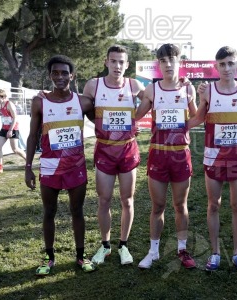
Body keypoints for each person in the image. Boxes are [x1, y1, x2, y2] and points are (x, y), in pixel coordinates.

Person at [25, 55, 96, 276]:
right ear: (50, 76)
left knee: (77, 211)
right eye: (55, 73)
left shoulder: (83, 102)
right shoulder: (40, 102)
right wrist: (27, 167)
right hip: (49, 166)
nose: (60, 77)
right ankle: (49, 257)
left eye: (64, 73)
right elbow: (32, 135)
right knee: (49, 212)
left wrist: (128, 130)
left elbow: (102, 123)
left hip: (76, 167)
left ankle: (81, 256)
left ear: (71, 76)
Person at [188, 46, 237, 273]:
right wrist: (174, 128)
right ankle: (215, 253)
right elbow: (197, 118)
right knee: (213, 205)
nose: (227, 68)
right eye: (222, 64)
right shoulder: (207, 91)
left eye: (230, 63)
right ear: (216, 67)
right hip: (213, 157)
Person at [135, 43, 197, 269]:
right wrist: (131, 93)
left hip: (181, 154)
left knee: (180, 205)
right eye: (163, 60)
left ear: (180, 62)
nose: (168, 64)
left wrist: (206, 99)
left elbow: (197, 118)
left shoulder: (188, 89)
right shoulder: (152, 90)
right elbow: (137, 114)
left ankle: (182, 249)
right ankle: (153, 252)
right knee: (158, 206)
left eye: (172, 59)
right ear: (159, 64)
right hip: (158, 155)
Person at [82, 45, 145, 266]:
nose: (117, 65)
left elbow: (156, 99)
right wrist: (98, 123)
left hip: (128, 149)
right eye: (113, 61)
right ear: (106, 62)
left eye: (121, 62)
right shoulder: (93, 85)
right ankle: (105, 245)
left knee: (127, 200)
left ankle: (124, 245)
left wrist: (182, 85)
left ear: (127, 65)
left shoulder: (135, 85)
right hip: (105, 149)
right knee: (104, 199)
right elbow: (84, 107)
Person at [0, 89, 26, 174]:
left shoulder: (9, 104)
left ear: (3, 97)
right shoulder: (1, 104)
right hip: (4, 128)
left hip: (13, 128)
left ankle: (28, 162)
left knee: (15, 149)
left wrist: (10, 130)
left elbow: (15, 118)